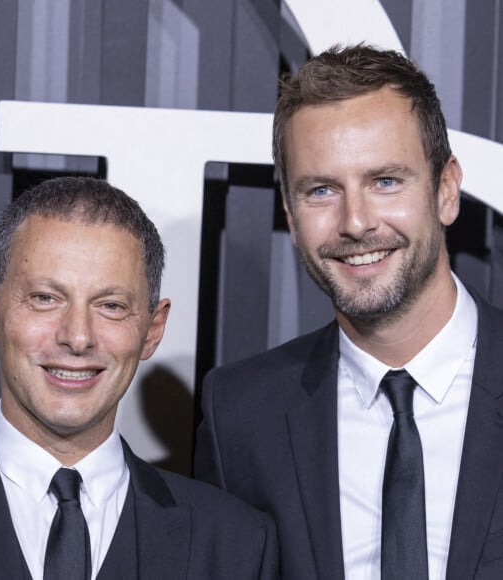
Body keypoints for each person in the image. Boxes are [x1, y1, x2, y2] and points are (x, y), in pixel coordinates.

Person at [194, 44, 503, 580]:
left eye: (385, 181)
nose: (355, 223)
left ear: (447, 191)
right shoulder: (240, 417)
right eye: (321, 191)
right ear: (291, 217)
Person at [0, 177, 278, 579]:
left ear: (153, 329)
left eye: (110, 305)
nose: (77, 337)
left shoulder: (235, 546)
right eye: (45, 299)